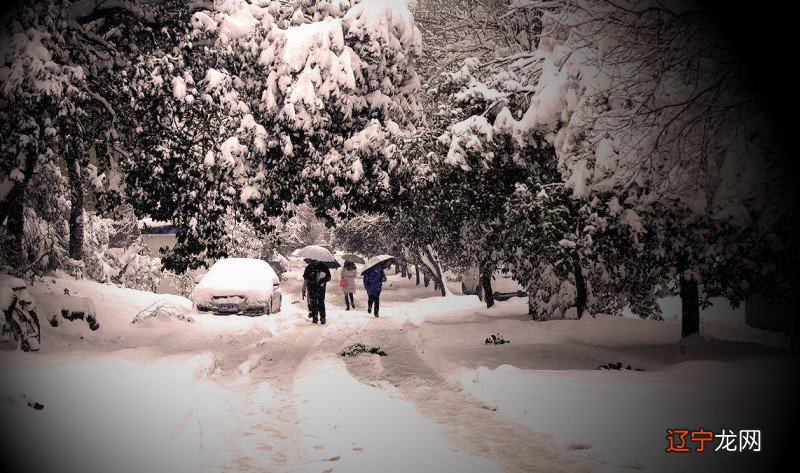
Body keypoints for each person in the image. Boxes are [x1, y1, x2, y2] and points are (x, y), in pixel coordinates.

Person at [302, 259, 331, 324]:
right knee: (314, 303)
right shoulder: (309, 267)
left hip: (320, 287)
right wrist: (304, 288)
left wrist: (322, 281)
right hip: (312, 287)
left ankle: (322, 318)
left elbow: (329, 277)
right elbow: (305, 278)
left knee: (320, 302)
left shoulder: (323, 266)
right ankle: (315, 318)